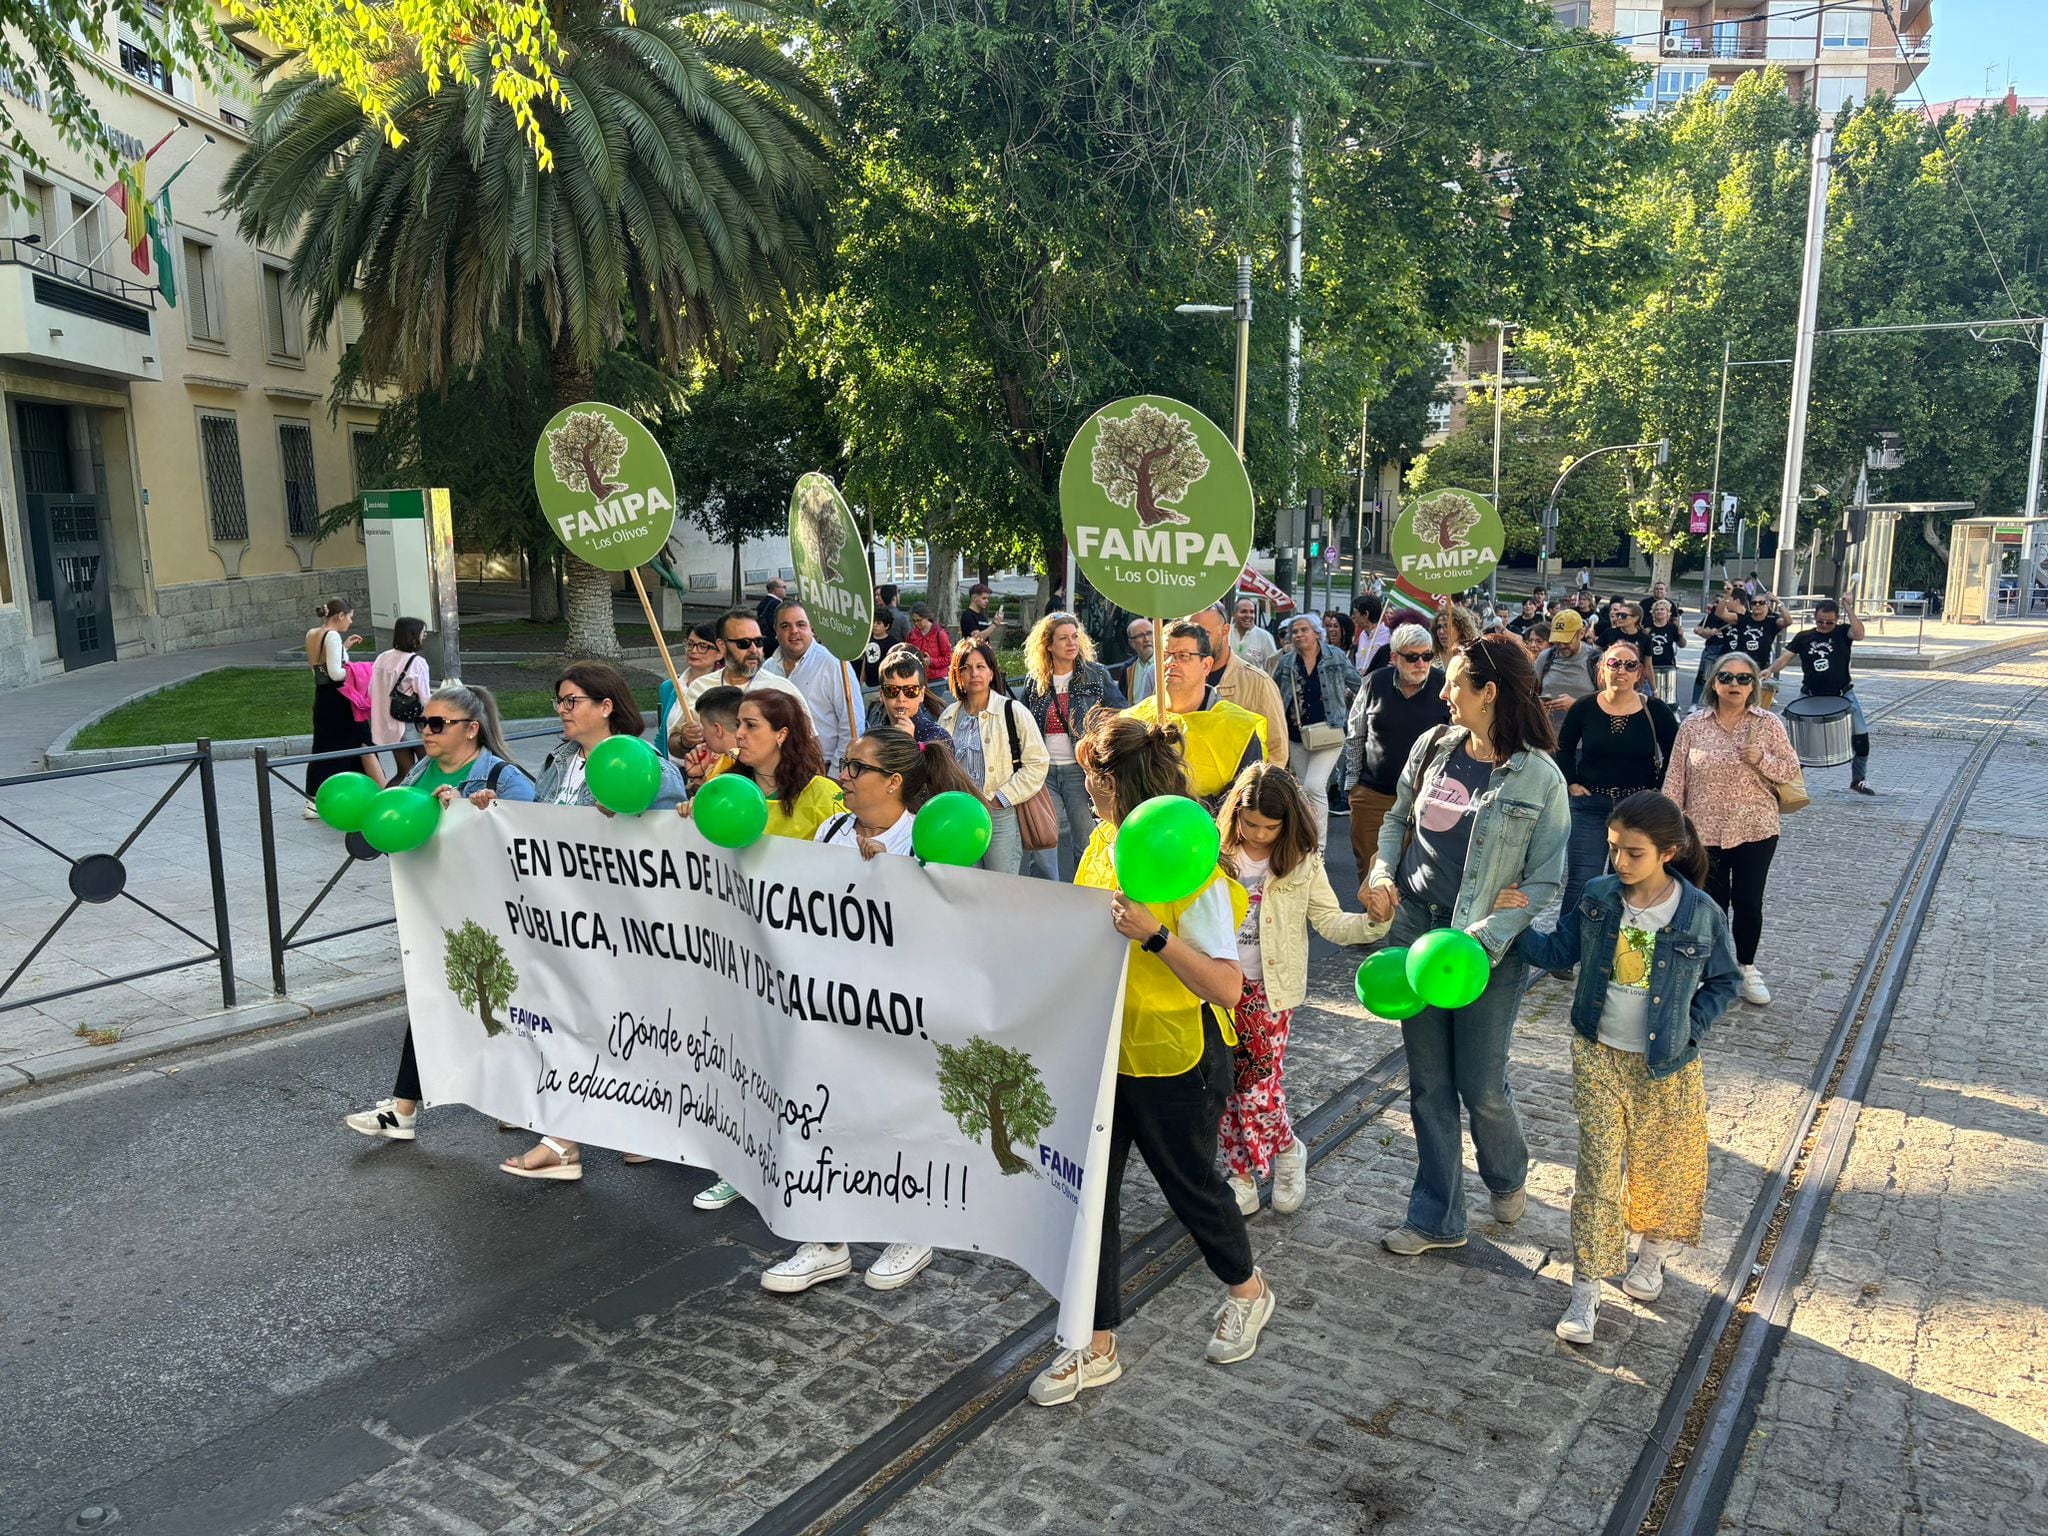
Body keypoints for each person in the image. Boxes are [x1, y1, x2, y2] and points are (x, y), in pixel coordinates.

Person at [1030, 711, 1272, 1405]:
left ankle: (1249, 1292)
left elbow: (1227, 986)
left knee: (1191, 1188)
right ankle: (1094, 1343)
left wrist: (1156, 936)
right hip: (1106, 1048)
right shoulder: (1106, 839)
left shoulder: (1188, 855)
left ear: (1109, 780)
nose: (1086, 791)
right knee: (1088, 1199)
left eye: (1091, 780)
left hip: (1178, 1059)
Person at [1362, 636, 1569, 1256]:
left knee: (1479, 1086)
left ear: (1490, 694)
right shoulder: (1434, 748)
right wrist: (1379, 873)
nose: (1444, 693)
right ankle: (1436, 1219)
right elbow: (1398, 818)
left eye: (1455, 684)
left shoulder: (1540, 778)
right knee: (1428, 1085)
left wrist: (1484, 934)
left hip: (1485, 952)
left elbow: (1543, 878)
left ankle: (1506, 1175)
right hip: (1416, 931)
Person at [1505, 792, 1738, 1344]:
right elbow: (1560, 953)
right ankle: (1585, 1291)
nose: (1620, 863)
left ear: (1669, 853)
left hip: (1666, 1065)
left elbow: (1725, 981)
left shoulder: (1700, 913)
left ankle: (1652, 1253)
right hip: (1598, 1053)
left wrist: (1690, 1026)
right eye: (1614, 850)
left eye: (1633, 853)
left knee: (1663, 1168)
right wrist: (1513, 922)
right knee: (1598, 1174)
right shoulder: (1597, 896)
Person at [759, 725, 982, 1295]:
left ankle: (912, 1229)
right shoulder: (833, 827)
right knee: (822, 1117)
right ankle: (826, 1238)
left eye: (857, 769)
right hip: (830, 1004)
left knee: (898, 1117)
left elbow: (956, 927)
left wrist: (897, 878)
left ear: (894, 782)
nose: (844, 776)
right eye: (846, 764)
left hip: (901, 1013)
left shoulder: (928, 838)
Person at [497, 663, 688, 1181]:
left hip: (623, 920)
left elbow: (675, 831)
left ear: (606, 706)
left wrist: (629, 815)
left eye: (571, 700)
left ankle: (591, 1136)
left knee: (620, 1022)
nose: (562, 710)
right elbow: (537, 820)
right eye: (559, 701)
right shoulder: (559, 759)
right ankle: (578, 1135)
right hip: (561, 915)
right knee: (575, 1021)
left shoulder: (644, 761)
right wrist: (491, 811)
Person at [343, 683, 541, 1146]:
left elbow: (535, 842)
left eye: (437, 724)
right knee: (434, 999)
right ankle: (405, 1110)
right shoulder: (419, 776)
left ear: (472, 730)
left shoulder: (503, 777)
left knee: (506, 1006)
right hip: (435, 914)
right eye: (422, 722)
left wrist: (486, 814)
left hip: (494, 915)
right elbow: (384, 831)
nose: (425, 732)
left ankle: (521, 1098)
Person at [680, 692, 844, 1214]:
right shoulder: (722, 787)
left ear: (781, 735)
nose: (738, 734)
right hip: (738, 959)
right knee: (740, 1061)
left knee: (793, 1068)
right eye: (737, 725)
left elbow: (843, 875)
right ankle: (738, 1166)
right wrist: (683, 820)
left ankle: (802, 1164)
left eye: (750, 725)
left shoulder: (820, 795)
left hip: (801, 961)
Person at [1216, 763, 1386, 1217]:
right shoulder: (1213, 852)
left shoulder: (1301, 862)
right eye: (1249, 823)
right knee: (1224, 1089)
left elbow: (1329, 920)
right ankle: (1241, 1175)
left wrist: (1374, 920)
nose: (1257, 834)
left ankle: (1288, 1150)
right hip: (1217, 986)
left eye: (1269, 828)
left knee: (1258, 1091)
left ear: (1287, 824)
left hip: (1270, 993)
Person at [1662, 651, 1796, 1006]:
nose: (1734, 684)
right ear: (1714, 683)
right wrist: (1670, 825)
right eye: (1726, 677)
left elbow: (1792, 772)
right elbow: (1675, 778)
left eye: (1743, 678)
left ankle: (1747, 967)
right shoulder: (1693, 725)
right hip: (1704, 830)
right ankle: (1712, 969)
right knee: (1711, 903)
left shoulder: (1768, 724)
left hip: (1756, 827)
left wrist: (1762, 759)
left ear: (1754, 684)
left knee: (1749, 902)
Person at [1555, 639, 1680, 923]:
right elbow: (1563, 746)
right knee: (1581, 880)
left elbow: (1676, 753)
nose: (1621, 670)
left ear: (1639, 674)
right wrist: (1572, 782)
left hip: (1636, 809)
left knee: (1626, 880)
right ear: (1603, 671)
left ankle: (1612, 946)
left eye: (1629, 665)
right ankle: (1566, 948)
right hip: (1590, 805)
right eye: (1613, 663)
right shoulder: (1585, 707)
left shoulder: (1655, 710)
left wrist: (1657, 791)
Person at [1019, 611, 1128, 880]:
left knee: (1085, 839)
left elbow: (1120, 712)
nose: (1071, 643)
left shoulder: (1096, 675)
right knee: (1044, 839)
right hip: (1045, 772)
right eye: (1064, 638)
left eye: (1075, 637)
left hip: (1082, 771)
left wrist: (1099, 742)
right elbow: (1023, 721)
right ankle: (1047, 896)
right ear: (1048, 644)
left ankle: (1086, 890)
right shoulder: (1036, 681)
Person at [1125, 622, 1267, 809]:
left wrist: (1188, 810)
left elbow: (1245, 798)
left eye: (1183, 656)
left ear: (1206, 665)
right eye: (1165, 655)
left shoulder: (1240, 728)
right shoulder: (1133, 721)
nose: (1170, 663)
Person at [939, 636, 1049, 877]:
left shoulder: (1012, 711)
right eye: (966, 668)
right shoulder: (948, 716)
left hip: (1000, 817)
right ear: (957, 675)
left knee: (1001, 887)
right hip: (961, 818)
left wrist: (1001, 798)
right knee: (968, 887)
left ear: (991, 673)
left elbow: (1037, 763)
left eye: (980, 667)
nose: (974, 674)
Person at [1345, 623, 1449, 876]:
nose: (1421, 664)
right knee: (1371, 870)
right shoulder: (1374, 682)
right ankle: (1375, 916)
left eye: (1427, 656)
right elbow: (1356, 734)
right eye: (1412, 657)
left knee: (1417, 873)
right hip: (1374, 795)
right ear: (1394, 657)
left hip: (1427, 798)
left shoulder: (1445, 686)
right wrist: (1353, 785)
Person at [1765, 597, 1872, 794]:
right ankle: (1789, 779)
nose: (1824, 625)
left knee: (1861, 736)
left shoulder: (1842, 632)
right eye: (1820, 621)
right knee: (1799, 741)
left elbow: (1859, 633)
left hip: (1842, 694)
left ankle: (1858, 779)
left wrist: (1848, 606)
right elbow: (1785, 657)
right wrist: (1770, 669)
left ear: (1836, 620)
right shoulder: (1803, 637)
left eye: (1829, 622)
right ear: (1814, 617)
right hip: (1810, 695)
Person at [1271, 613, 1359, 849]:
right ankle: (1304, 840)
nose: (1299, 635)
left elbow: (1359, 685)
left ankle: (1318, 849)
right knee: (1302, 789)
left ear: (1316, 633)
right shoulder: (1287, 662)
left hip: (1330, 732)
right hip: (1296, 735)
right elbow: (1273, 693)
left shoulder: (1336, 657)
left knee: (1313, 786)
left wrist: (1356, 711)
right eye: (1295, 631)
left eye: (1303, 630)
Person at [763, 600, 862, 772]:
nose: (794, 631)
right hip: (777, 771)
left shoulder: (834, 664)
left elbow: (853, 725)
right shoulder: (768, 669)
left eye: (801, 624)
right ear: (776, 631)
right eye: (785, 626)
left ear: (812, 628)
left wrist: (836, 774)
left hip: (823, 769)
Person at [303, 598, 381, 817]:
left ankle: (313, 800)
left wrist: (344, 648)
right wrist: (361, 671)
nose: (351, 621)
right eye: (350, 617)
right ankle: (377, 792)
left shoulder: (313, 634)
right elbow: (336, 673)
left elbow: (321, 666)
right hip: (341, 700)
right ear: (340, 616)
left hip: (323, 698)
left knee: (324, 745)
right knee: (362, 740)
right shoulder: (333, 636)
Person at [1188, 605, 1288, 769]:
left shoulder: (1258, 683)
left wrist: (1256, 791)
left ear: (1225, 631)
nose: (1195, 643)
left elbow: (1277, 751)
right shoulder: (1173, 677)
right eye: (1190, 634)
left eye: (1204, 634)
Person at [680, 609, 811, 724]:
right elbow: (674, 741)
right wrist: (684, 740)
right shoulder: (699, 687)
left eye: (758, 642)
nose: (754, 650)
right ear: (722, 646)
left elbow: (810, 744)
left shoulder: (782, 690)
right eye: (744, 643)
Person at [369, 617, 431, 781]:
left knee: (404, 772)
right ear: (413, 636)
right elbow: (425, 699)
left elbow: (371, 689)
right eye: (422, 633)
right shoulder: (417, 662)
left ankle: (383, 803)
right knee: (431, 768)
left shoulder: (382, 658)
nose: (424, 636)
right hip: (412, 724)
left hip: (390, 724)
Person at [868, 645, 951, 745]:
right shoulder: (872, 739)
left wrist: (908, 744)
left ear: (921, 694)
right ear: (881, 694)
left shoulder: (938, 738)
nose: (901, 698)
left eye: (910, 690)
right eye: (891, 690)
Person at [1534, 608, 1603, 715]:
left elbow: (1610, 703)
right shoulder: (1545, 657)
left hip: (1581, 729)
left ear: (1581, 633)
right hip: (1547, 729)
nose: (1561, 646)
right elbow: (1531, 692)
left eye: (1566, 641)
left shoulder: (1596, 660)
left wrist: (1576, 706)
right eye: (1557, 641)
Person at [675, 684, 744, 788]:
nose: (703, 734)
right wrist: (698, 776)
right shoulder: (727, 758)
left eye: (703, 726)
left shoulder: (741, 768)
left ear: (717, 729)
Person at [1690, 593, 1741, 707]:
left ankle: (1718, 703)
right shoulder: (1712, 615)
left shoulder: (1732, 616)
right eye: (1716, 602)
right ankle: (1694, 704)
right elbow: (1699, 629)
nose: (1717, 605)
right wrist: (1705, 632)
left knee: (1724, 679)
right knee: (1704, 676)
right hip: (1712, 649)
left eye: (1720, 602)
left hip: (1728, 650)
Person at [1643, 598, 1686, 705]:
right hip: (1651, 666)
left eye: (1662, 609)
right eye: (1656, 610)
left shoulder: (1672, 628)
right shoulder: (1648, 629)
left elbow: (1682, 645)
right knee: (1652, 697)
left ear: (1668, 613)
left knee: (1668, 697)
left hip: (1668, 665)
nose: (1659, 611)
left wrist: (1681, 636)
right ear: (1653, 613)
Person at [1229, 598, 1279, 670]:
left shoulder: (1265, 637)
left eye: (1252, 612)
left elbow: (1273, 666)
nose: (1248, 615)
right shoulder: (1225, 633)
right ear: (1234, 614)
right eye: (1243, 611)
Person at [1352, 593, 1391, 672]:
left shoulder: (1389, 636)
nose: (1353, 617)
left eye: (1355, 613)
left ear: (1366, 614)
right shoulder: (1362, 635)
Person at [1121, 617, 1155, 703]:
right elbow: (1121, 701)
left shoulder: (1167, 665)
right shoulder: (1127, 668)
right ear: (1131, 643)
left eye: (1149, 633)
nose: (1146, 639)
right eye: (1140, 635)